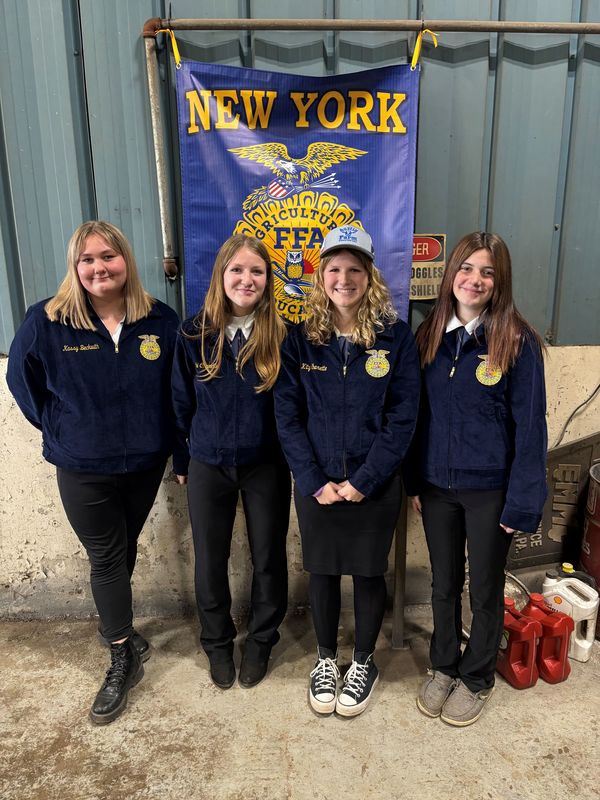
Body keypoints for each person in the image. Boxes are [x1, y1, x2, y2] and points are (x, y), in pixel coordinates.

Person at [6, 220, 184, 725]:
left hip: (145, 463)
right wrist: (61, 429)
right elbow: (21, 380)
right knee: (106, 556)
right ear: (75, 267)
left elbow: (175, 392)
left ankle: (118, 625)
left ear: (125, 260)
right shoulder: (47, 320)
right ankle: (122, 655)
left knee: (123, 549)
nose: (98, 267)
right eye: (87, 259)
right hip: (82, 466)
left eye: (108, 256)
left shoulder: (160, 321)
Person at [274, 225, 420, 717]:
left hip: (374, 486)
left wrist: (363, 481)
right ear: (320, 277)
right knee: (322, 569)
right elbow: (287, 415)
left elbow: (403, 417)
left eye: (354, 269)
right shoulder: (300, 339)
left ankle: (362, 663)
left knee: (366, 570)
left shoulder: (395, 338)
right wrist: (314, 481)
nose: (344, 278)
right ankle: (324, 659)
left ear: (370, 275)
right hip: (316, 486)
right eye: (334, 268)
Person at [406, 231, 547, 727]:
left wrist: (521, 501)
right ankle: (444, 665)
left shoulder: (517, 342)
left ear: (499, 282)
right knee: (444, 584)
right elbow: (414, 416)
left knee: (483, 589)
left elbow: (530, 429)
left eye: (487, 272)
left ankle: (477, 676)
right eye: (467, 268)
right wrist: (414, 484)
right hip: (436, 489)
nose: (475, 279)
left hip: (491, 491)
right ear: (451, 275)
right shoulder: (427, 337)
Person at [172, 234, 290, 690]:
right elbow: (179, 404)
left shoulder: (282, 336)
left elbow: (293, 409)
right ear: (221, 276)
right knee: (210, 560)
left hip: (267, 466)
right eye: (237, 270)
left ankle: (260, 641)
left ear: (268, 280)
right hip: (207, 465)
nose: (246, 279)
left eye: (256, 271)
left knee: (267, 558)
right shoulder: (193, 333)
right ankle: (217, 643)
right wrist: (184, 456)